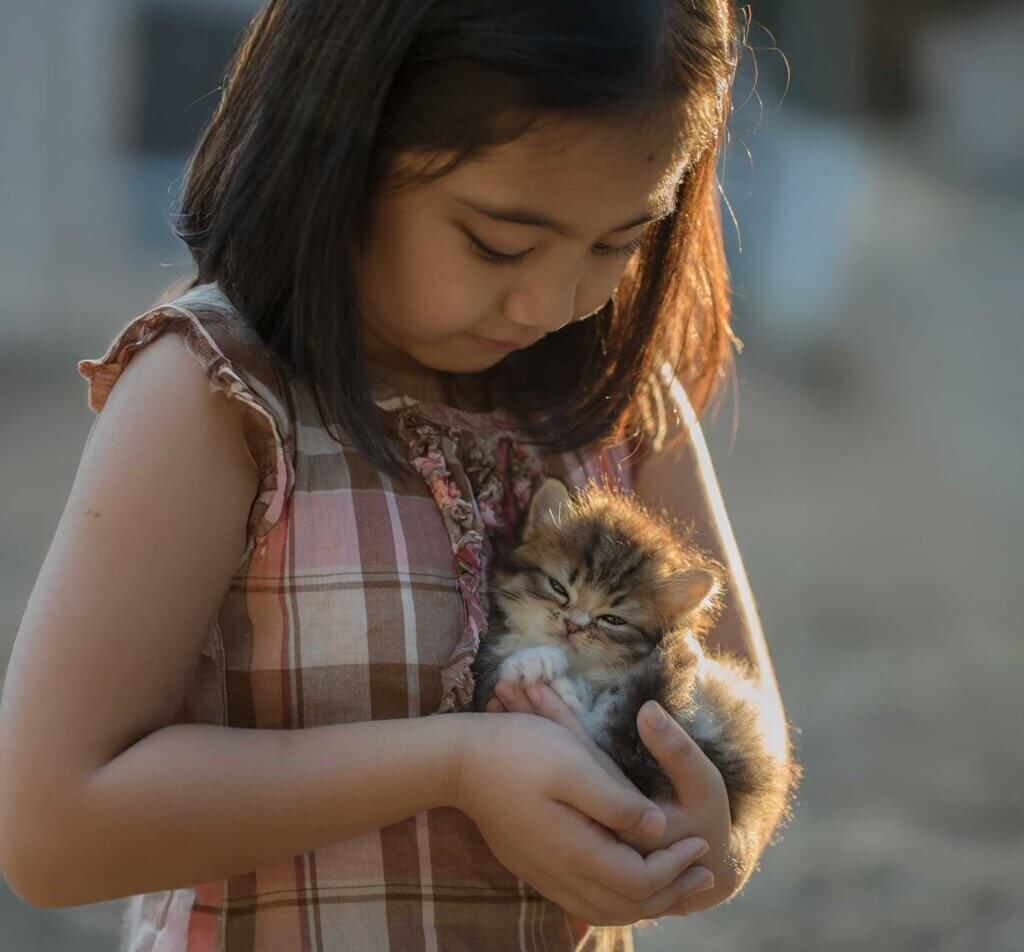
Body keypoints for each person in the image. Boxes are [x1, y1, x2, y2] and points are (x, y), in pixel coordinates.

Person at [0, 2, 798, 949]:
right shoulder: (216, 394)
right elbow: (50, 832)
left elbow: (751, 735)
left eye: (617, 243)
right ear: (341, 146)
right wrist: (452, 766)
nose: (552, 301)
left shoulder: (620, 401)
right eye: (498, 243)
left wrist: (704, 840)